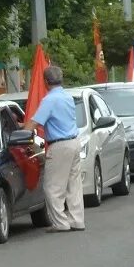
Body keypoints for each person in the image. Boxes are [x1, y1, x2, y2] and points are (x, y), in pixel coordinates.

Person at [29, 63, 83, 233]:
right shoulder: (67, 97)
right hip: (74, 142)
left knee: (52, 188)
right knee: (73, 186)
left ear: (46, 81)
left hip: (59, 146)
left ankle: (60, 223)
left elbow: (35, 123)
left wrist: (21, 130)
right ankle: (77, 220)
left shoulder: (49, 100)